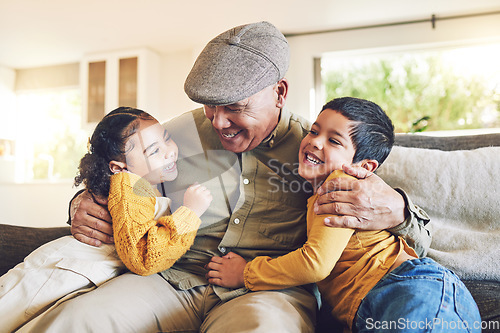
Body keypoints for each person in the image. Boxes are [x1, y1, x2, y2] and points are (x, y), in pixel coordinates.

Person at [24, 22, 431, 332]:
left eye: (234, 107)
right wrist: (81, 202)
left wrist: (399, 210)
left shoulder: (321, 154)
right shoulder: (171, 137)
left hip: (267, 293)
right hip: (171, 279)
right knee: (80, 319)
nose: (218, 122)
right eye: (208, 106)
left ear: (279, 92)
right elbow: (119, 176)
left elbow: (413, 236)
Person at [205, 97, 481, 332]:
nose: (315, 142)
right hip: (376, 303)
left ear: (363, 166)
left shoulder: (340, 187)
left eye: (334, 141)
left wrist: (246, 273)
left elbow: (314, 264)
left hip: (409, 288)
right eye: (314, 131)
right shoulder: (318, 192)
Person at [0, 107, 211, 332]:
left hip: (85, 273)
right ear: (119, 168)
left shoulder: (149, 184)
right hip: (62, 270)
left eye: (167, 139)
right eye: (154, 151)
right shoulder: (130, 188)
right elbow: (144, 257)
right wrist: (191, 212)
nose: (169, 152)